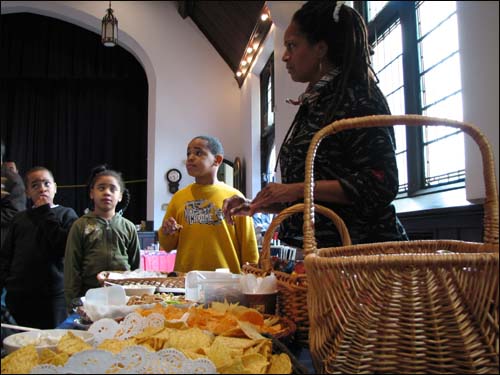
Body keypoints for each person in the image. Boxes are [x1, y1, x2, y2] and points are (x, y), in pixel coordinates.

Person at [223, 1, 407, 249]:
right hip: (324, 256)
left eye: (292, 45)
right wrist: (259, 204)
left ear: (320, 48)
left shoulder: (358, 97)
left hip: (362, 256)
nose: (285, 56)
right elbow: (317, 195)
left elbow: (381, 183)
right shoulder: (318, 102)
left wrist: (294, 189)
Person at [158, 135, 259, 274]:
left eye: (198, 153)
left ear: (217, 160)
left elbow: (249, 246)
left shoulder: (234, 198)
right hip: (186, 281)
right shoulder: (178, 198)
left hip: (226, 282)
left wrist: (253, 278)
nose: (191, 158)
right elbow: (167, 246)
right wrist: (166, 232)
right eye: (188, 153)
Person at [0, 166, 78, 329]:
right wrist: (8, 282)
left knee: (51, 344)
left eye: (46, 183)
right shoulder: (19, 218)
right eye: (35, 185)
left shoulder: (66, 214)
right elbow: (6, 255)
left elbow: (63, 247)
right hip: (19, 296)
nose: (42, 188)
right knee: (19, 343)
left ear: (55, 188)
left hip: (52, 297)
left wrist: (45, 212)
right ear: (27, 192)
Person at [64, 166, 140, 309]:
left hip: (122, 296)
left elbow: (136, 267)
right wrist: (72, 302)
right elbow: (71, 266)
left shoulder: (129, 227)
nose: (107, 192)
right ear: (92, 193)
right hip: (90, 295)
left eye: (112, 189)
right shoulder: (80, 225)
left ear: (120, 196)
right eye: (101, 188)